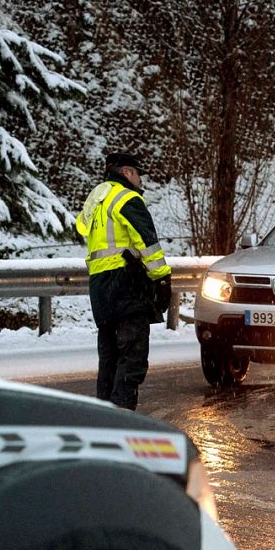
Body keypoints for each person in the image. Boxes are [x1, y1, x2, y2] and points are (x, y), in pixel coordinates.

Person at [76, 151, 173, 409]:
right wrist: (162, 279)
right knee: (132, 358)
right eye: (138, 174)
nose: (140, 181)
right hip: (127, 286)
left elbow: (81, 227)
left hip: (100, 289)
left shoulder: (97, 199)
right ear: (128, 172)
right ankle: (123, 418)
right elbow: (148, 243)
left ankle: (105, 415)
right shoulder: (127, 198)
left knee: (109, 359)